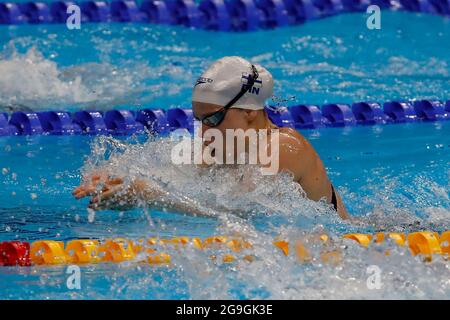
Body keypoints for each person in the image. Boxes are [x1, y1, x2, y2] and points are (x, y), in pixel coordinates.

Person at [73, 56, 349, 220]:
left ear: (249, 113)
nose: (203, 133)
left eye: (213, 119)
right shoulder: (222, 148)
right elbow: (160, 164)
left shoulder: (284, 146)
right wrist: (113, 175)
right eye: (199, 121)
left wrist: (149, 195)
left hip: (344, 249)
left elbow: (239, 211)